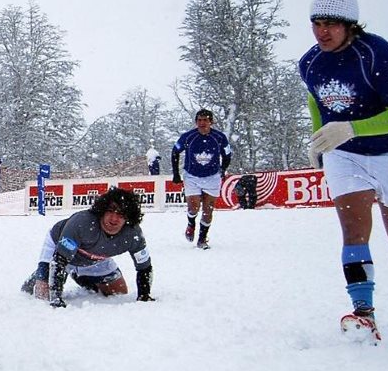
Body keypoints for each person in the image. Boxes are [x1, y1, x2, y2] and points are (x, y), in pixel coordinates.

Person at [300, 0, 388, 341]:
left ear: (350, 25)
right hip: (346, 156)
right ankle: (364, 312)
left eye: (331, 24)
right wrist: (321, 136)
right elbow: (315, 100)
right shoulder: (309, 63)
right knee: (354, 230)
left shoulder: (379, 54)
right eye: (316, 23)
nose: (322, 32)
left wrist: (351, 127)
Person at [19, 187, 154, 308]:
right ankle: (39, 276)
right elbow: (59, 261)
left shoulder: (133, 234)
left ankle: (80, 276)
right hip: (59, 249)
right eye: (110, 211)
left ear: (128, 218)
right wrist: (56, 298)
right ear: (102, 211)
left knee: (118, 291)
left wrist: (144, 296)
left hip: (96, 257)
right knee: (43, 296)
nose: (114, 218)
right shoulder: (81, 223)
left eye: (121, 214)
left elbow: (145, 267)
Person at [171, 108, 232, 250]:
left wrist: (222, 170)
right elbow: (175, 151)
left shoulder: (220, 137)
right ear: (196, 122)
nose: (202, 123)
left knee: (208, 210)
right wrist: (176, 173)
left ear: (211, 122)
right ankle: (191, 223)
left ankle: (202, 239)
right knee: (193, 207)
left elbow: (227, 155)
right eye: (199, 120)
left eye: (205, 120)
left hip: (212, 176)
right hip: (192, 176)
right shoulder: (188, 137)